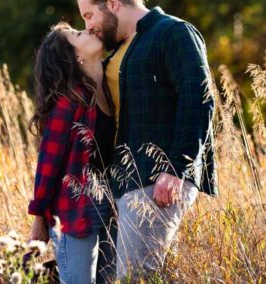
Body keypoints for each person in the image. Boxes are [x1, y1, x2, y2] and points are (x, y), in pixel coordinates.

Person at [77, 0, 218, 279]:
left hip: (156, 183)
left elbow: (198, 100)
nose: (87, 25)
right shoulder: (118, 50)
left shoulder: (173, 32)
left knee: (134, 278)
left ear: (114, 4)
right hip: (121, 186)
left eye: (89, 15)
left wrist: (177, 168)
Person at [27, 22, 117, 283]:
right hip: (74, 210)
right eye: (78, 34)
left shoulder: (109, 89)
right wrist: (39, 218)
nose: (87, 30)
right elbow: (48, 165)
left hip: (109, 205)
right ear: (76, 57)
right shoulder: (69, 101)